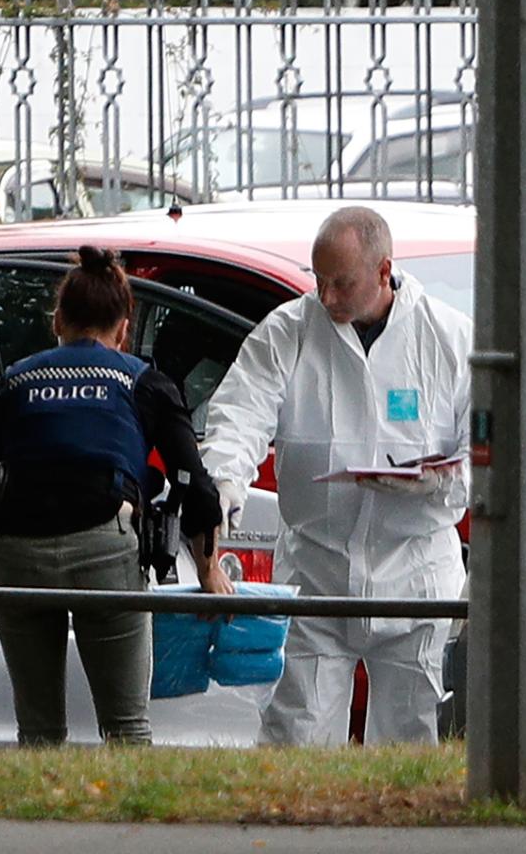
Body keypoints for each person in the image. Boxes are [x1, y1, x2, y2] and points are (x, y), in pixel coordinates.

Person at [202, 205, 471, 746]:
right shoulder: (289, 332)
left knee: (414, 741)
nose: (326, 297)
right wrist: (223, 483)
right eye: (318, 280)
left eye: (341, 283)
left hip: (414, 573)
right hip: (315, 569)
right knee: (296, 739)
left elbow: (489, 455)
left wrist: (438, 483)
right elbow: (239, 413)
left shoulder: (448, 339)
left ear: (383, 270)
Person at [0, 245, 234, 746]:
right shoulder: (140, 380)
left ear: (57, 321)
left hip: (17, 557)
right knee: (126, 728)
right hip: (105, 547)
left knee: (38, 732)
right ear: (125, 328)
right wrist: (210, 570)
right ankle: (129, 821)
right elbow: (195, 485)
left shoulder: (18, 379)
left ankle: (40, 820)